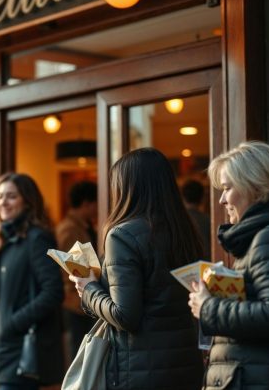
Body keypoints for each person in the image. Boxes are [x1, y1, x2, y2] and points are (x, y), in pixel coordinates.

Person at [70, 148, 204, 390]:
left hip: (140, 370)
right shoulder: (183, 230)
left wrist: (89, 288)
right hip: (186, 365)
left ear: (126, 188)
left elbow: (126, 316)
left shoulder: (122, 235)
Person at [188, 141, 269, 389]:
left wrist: (208, 307)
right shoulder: (265, 236)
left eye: (227, 188)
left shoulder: (268, 238)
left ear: (255, 187)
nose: (221, 200)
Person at [0, 173, 64, 390]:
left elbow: (53, 291)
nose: (3, 202)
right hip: (1, 346)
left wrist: (12, 323)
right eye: (0, 197)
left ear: (27, 200)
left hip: (23, 345)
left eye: (11, 196)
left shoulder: (36, 238)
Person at [55, 180, 98, 361]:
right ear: (86, 203)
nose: (98, 208)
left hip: (82, 303)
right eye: (95, 203)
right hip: (76, 306)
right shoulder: (70, 230)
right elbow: (69, 274)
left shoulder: (82, 227)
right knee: (79, 359)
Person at [182, 179, 212, 259]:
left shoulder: (177, 220)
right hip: (205, 266)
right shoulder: (208, 221)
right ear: (202, 198)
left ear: (183, 197)